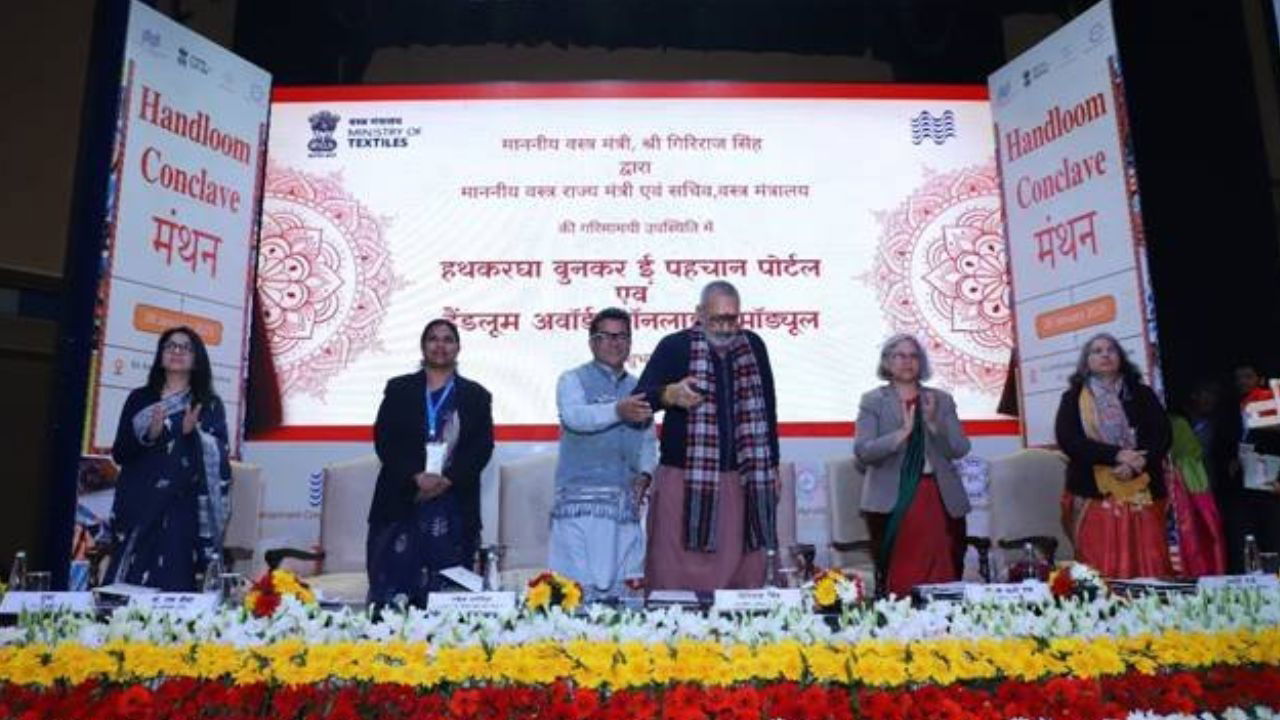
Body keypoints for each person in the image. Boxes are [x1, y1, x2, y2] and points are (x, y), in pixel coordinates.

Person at [635, 281, 779, 591]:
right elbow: (640, 399)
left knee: (744, 565)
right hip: (685, 479)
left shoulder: (753, 346)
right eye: (717, 319)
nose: (726, 327)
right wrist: (669, 395)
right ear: (699, 313)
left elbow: (768, 408)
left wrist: (774, 465)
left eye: (732, 318)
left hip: (744, 479)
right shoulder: (675, 346)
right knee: (676, 569)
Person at [367, 319, 494, 606]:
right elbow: (385, 440)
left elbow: (482, 447)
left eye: (448, 339)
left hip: (455, 504)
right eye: (433, 339)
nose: (440, 345)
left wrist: (447, 479)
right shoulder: (399, 389)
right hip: (401, 500)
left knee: (447, 600)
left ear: (458, 347)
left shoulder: (476, 396)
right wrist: (416, 476)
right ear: (423, 346)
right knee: (393, 600)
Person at [105, 326, 231, 591]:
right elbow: (120, 453)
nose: (176, 351)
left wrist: (190, 435)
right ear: (161, 356)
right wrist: (150, 435)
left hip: (180, 505)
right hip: (138, 499)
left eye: (185, 347)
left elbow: (218, 458)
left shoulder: (207, 404)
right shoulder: (140, 398)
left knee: (171, 583)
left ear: (196, 360)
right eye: (170, 346)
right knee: (125, 588)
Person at [549, 308, 658, 600]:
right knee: (579, 594)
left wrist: (646, 474)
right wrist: (617, 410)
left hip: (626, 506)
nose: (615, 343)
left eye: (623, 336)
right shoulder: (572, 380)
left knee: (624, 593)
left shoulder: (640, 387)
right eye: (606, 336)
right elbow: (575, 418)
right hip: (584, 505)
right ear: (592, 342)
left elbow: (648, 439)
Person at [854, 334, 971, 597]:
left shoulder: (940, 399)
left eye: (913, 356)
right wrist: (901, 434)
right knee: (902, 577)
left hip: (939, 497)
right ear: (887, 361)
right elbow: (863, 451)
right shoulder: (873, 400)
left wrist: (932, 424)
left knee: (944, 573)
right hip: (894, 500)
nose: (907, 361)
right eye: (900, 355)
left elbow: (960, 448)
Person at [1054, 333, 1172, 578]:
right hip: (1093, 492)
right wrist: (1117, 455)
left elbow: (1162, 436)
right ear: (1087, 362)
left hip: (1143, 488)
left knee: (1151, 564)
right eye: (1097, 351)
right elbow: (1069, 440)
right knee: (1098, 570)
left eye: (1111, 350)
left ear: (1121, 358)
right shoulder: (1073, 398)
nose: (1105, 354)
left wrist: (1138, 462)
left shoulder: (1142, 394)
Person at [1220, 362, 1280, 571]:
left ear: (1261, 380)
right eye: (1238, 378)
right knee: (1242, 538)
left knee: (1272, 536)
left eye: (1248, 377)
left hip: (1270, 483)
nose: (1242, 382)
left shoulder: (1270, 403)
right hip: (1240, 487)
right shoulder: (1230, 411)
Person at [1165, 381, 1227, 576]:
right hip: (1185, 493)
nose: (1209, 398)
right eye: (1204, 393)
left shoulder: (1219, 421)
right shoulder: (1176, 423)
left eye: (1213, 394)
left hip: (1206, 486)